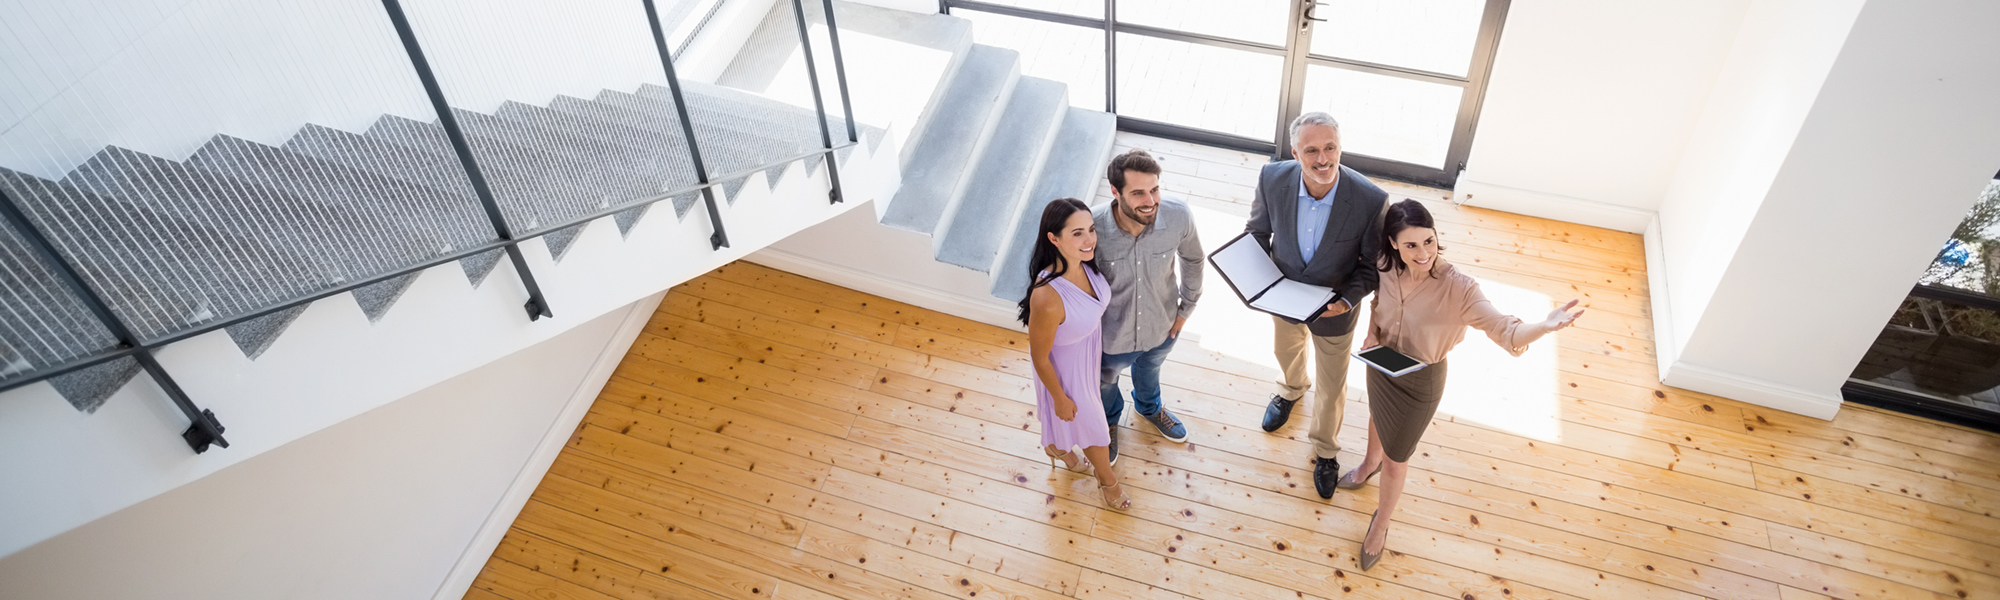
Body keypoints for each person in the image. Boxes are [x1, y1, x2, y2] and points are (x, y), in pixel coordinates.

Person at [1340, 199, 1583, 571]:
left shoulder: (1460, 289)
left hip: (1420, 382)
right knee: (1376, 415)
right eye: (1411, 245)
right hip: (1382, 363)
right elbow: (1377, 303)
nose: (1423, 254)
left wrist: (1544, 326)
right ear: (1392, 244)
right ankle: (1367, 463)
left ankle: (1381, 523)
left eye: (1429, 241)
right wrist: (1372, 333)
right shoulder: (1384, 266)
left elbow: (1506, 329)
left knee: (1396, 461)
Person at [1245, 112, 1387, 498]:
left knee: (1332, 384)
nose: (1323, 159)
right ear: (1295, 152)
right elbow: (1257, 233)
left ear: (1340, 147)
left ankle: (1325, 449)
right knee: (1286, 351)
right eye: (1312, 150)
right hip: (1283, 297)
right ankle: (1291, 389)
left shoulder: (1371, 200)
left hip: (1335, 310)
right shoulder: (1272, 179)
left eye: (1330, 148)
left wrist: (1346, 301)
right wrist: (1256, 280)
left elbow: (1371, 268)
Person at [1020, 197, 1131, 510]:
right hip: (1064, 372)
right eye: (1078, 233)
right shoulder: (1047, 297)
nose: (1090, 239)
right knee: (1095, 427)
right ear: (1053, 239)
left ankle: (1057, 448)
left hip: (1088, 353)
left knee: (1086, 419)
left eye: (1091, 230)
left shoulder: (1085, 264)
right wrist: (1059, 397)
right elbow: (1040, 357)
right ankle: (1109, 481)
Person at [1095, 150, 1204, 461]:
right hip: (1110, 337)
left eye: (1155, 189)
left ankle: (1149, 408)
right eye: (1138, 192)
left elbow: (1193, 259)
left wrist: (1186, 309)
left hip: (1163, 325)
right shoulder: (1091, 228)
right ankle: (1109, 420)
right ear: (1115, 192)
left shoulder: (1178, 216)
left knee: (1151, 368)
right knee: (1105, 383)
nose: (1150, 200)